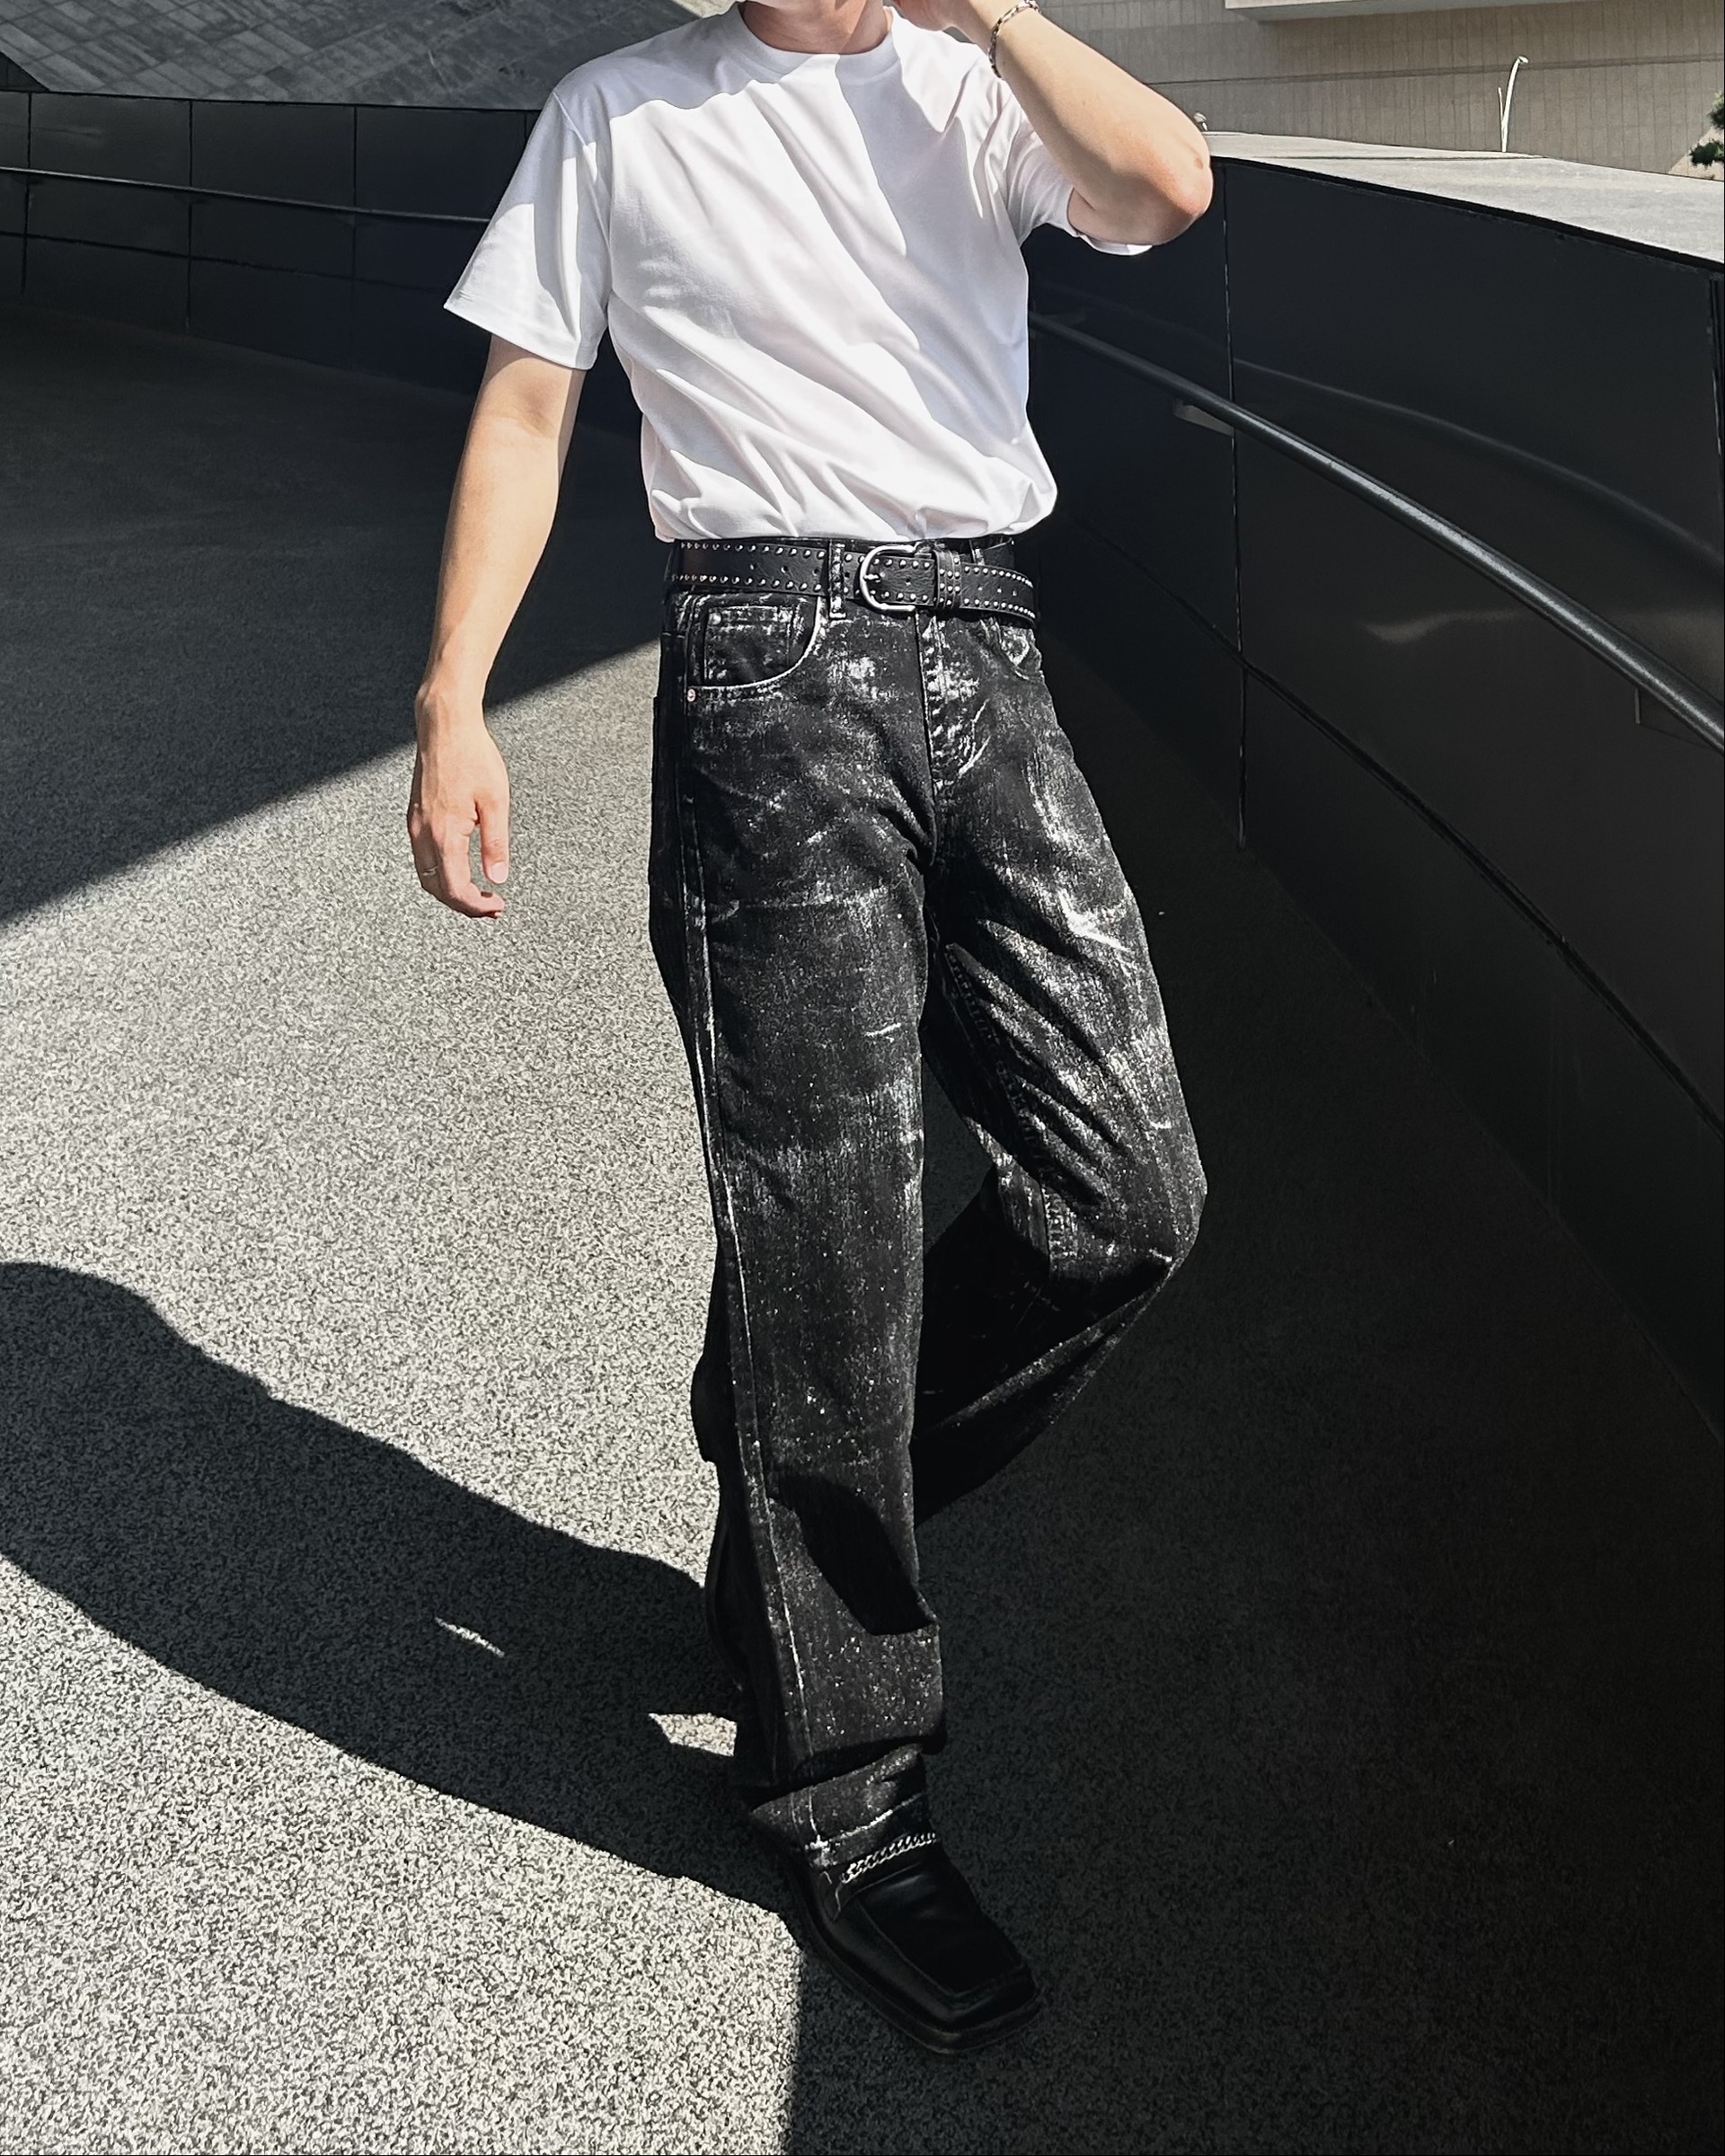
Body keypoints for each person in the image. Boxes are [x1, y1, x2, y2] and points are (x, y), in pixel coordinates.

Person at [409, 0, 1209, 2057]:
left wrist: (998, 15)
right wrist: (453, 699)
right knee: (830, 1236)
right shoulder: (620, 110)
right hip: (762, 658)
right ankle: (846, 1789)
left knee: (1126, 1194)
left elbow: (1167, 187)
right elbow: (528, 406)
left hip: (988, 650)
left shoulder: (970, 83)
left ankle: (790, 1477)